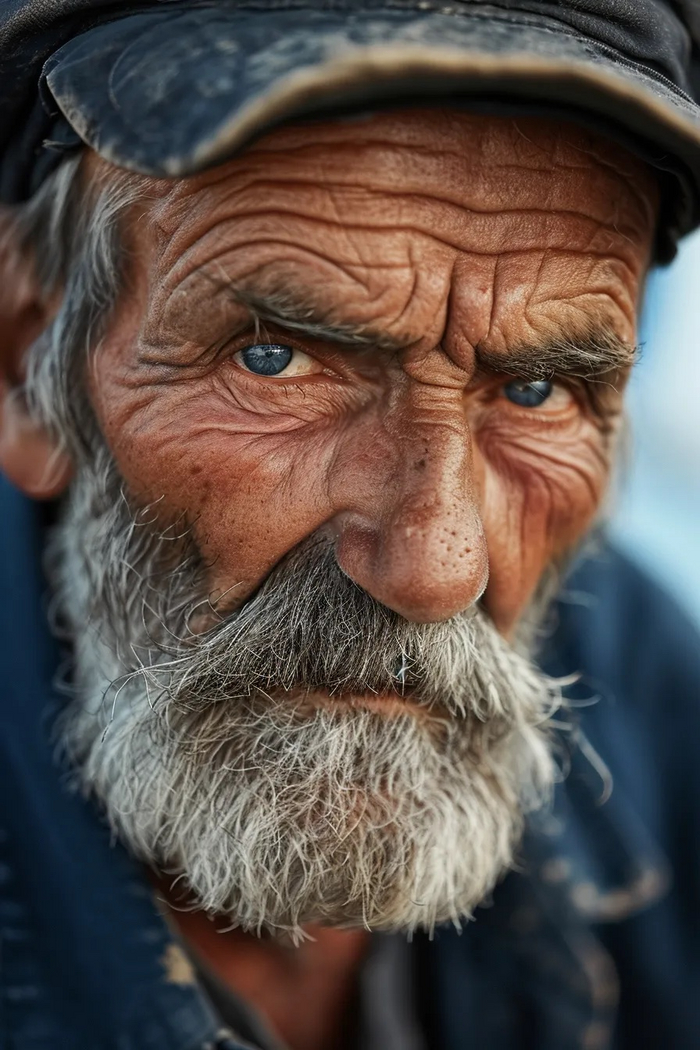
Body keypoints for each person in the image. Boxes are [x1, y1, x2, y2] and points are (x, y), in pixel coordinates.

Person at [1, 2, 700, 1048]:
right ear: (26, 366)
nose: (433, 566)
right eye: (275, 357)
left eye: (541, 386)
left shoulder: (645, 688)